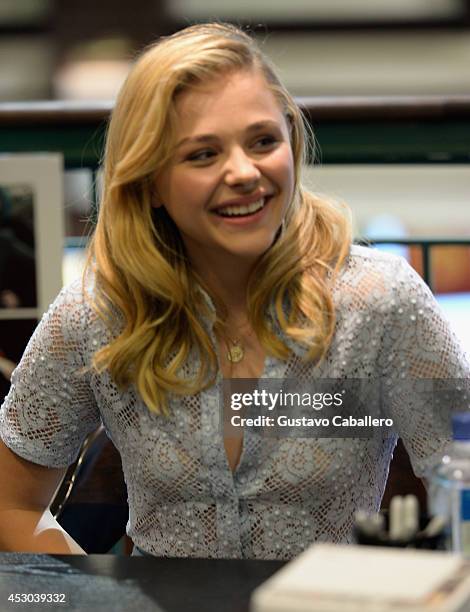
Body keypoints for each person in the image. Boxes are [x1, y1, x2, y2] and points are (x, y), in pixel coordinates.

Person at [0, 23, 469, 560]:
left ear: (291, 142)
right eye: (203, 154)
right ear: (150, 181)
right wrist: (87, 601)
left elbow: (464, 483)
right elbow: (10, 505)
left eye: (263, 141)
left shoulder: (382, 301)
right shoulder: (96, 313)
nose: (245, 172)